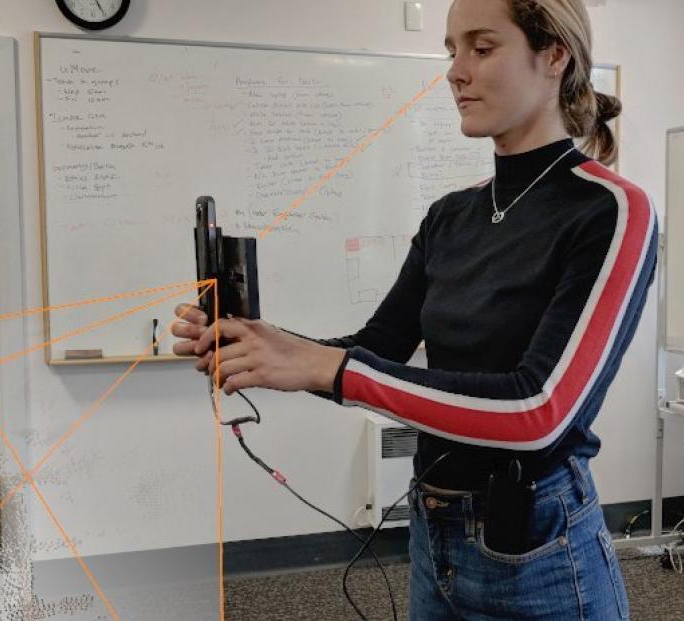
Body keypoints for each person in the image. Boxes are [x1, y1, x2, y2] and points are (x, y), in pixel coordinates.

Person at [172, 0, 656, 618]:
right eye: (451, 50)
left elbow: (539, 411)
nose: (456, 71)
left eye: (481, 49)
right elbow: (379, 344)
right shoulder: (450, 215)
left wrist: (326, 367)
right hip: (434, 530)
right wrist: (263, 344)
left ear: (554, 55)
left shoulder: (611, 211)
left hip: (537, 548)